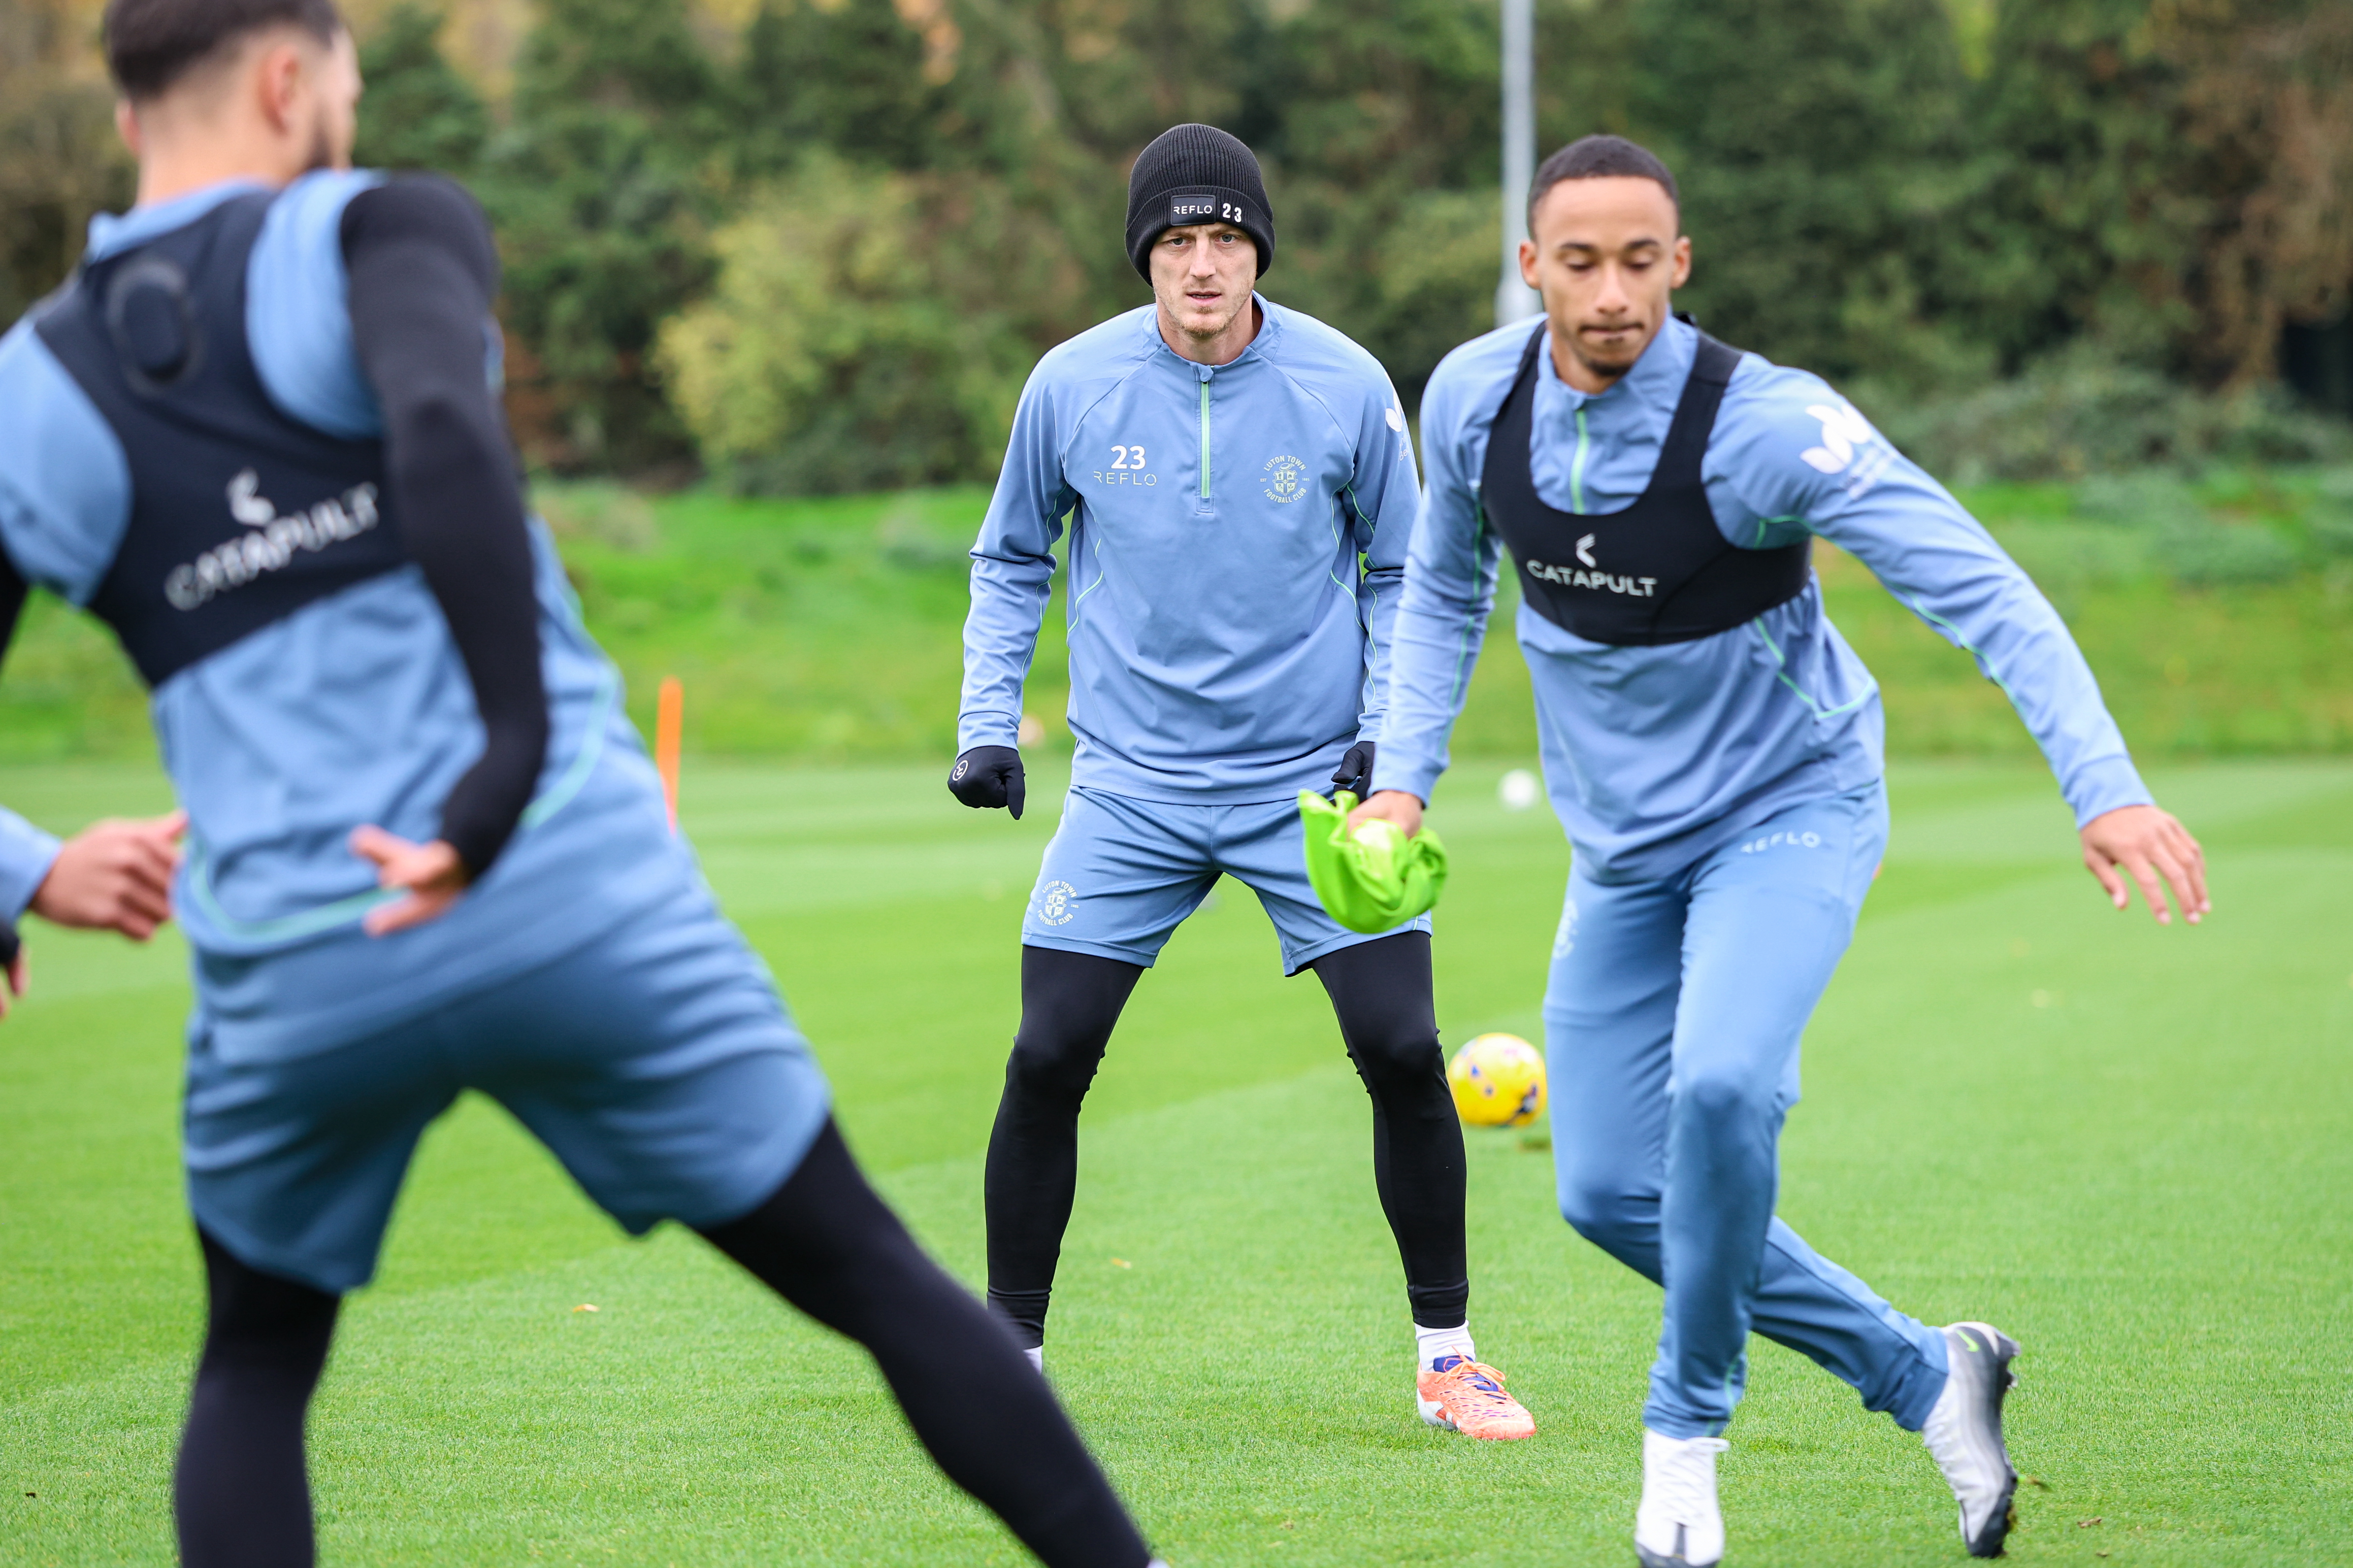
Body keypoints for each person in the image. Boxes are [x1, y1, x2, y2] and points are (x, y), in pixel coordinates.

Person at [0, 3, 1165, 1564]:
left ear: (127, 107)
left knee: (257, 1366)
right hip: (563, 888)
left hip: (299, 953)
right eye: (347, 80)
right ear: (291, 77)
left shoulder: (41, 381)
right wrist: (498, 776)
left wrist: (25, 870)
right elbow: (436, 422)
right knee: (881, 1281)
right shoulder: (382, 227)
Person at [1351, 135, 2209, 1566]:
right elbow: (1442, 590)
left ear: (1679, 263)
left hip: (1787, 809)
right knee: (1604, 1190)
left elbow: (1980, 587)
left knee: (1727, 1081)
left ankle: (1683, 1445)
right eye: (1579, 261)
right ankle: (1923, 1371)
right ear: (1528, 268)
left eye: (1641, 260)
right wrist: (1397, 782)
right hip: (1621, 848)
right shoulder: (1466, 400)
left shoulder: (1763, 425)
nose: (1611, 289)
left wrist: (2101, 782)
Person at [948, 124, 1534, 1441]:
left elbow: (1411, 571)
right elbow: (1008, 560)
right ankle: (1008, 1366)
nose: (1201, 265)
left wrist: (1391, 734)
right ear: (1144, 257)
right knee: (1047, 1055)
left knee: (1399, 1048)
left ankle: (1449, 1360)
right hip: (1132, 784)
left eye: (1224, 240)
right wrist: (988, 724)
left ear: (1257, 252)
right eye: (1175, 241)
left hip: (1310, 786)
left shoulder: (1339, 382)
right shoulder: (1071, 383)